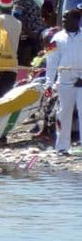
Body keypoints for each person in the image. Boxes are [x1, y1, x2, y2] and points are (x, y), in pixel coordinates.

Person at [46, 8, 82, 155]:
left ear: (77, 19)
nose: (64, 21)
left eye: (68, 18)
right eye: (64, 18)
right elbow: (51, 62)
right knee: (62, 114)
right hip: (64, 80)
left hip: (81, 80)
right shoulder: (56, 38)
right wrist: (49, 83)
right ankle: (62, 147)